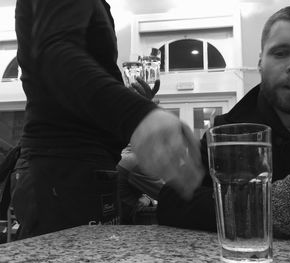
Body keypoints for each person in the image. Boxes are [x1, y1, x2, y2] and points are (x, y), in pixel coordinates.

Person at [8, 0, 203, 239]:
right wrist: (138, 114)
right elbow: (54, 56)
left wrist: (126, 104)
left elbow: (63, 80)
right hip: (62, 169)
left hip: (79, 168)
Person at [157, 5, 290, 238]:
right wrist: (264, 205)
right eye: (280, 52)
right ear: (260, 62)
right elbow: (172, 200)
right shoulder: (228, 129)